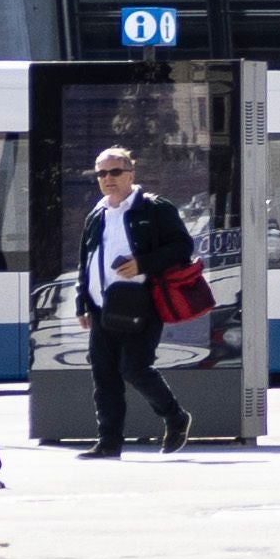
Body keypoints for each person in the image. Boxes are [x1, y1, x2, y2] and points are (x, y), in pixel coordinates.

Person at [66, 144, 196, 456]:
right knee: (104, 376)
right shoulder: (96, 214)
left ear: (130, 174)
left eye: (114, 172)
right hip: (101, 308)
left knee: (134, 368)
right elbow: (87, 261)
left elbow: (182, 247)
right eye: (101, 173)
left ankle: (175, 418)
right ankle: (109, 443)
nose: (107, 178)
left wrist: (143, 263)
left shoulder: (154, 208)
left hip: (143, 303)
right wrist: (82, 302)